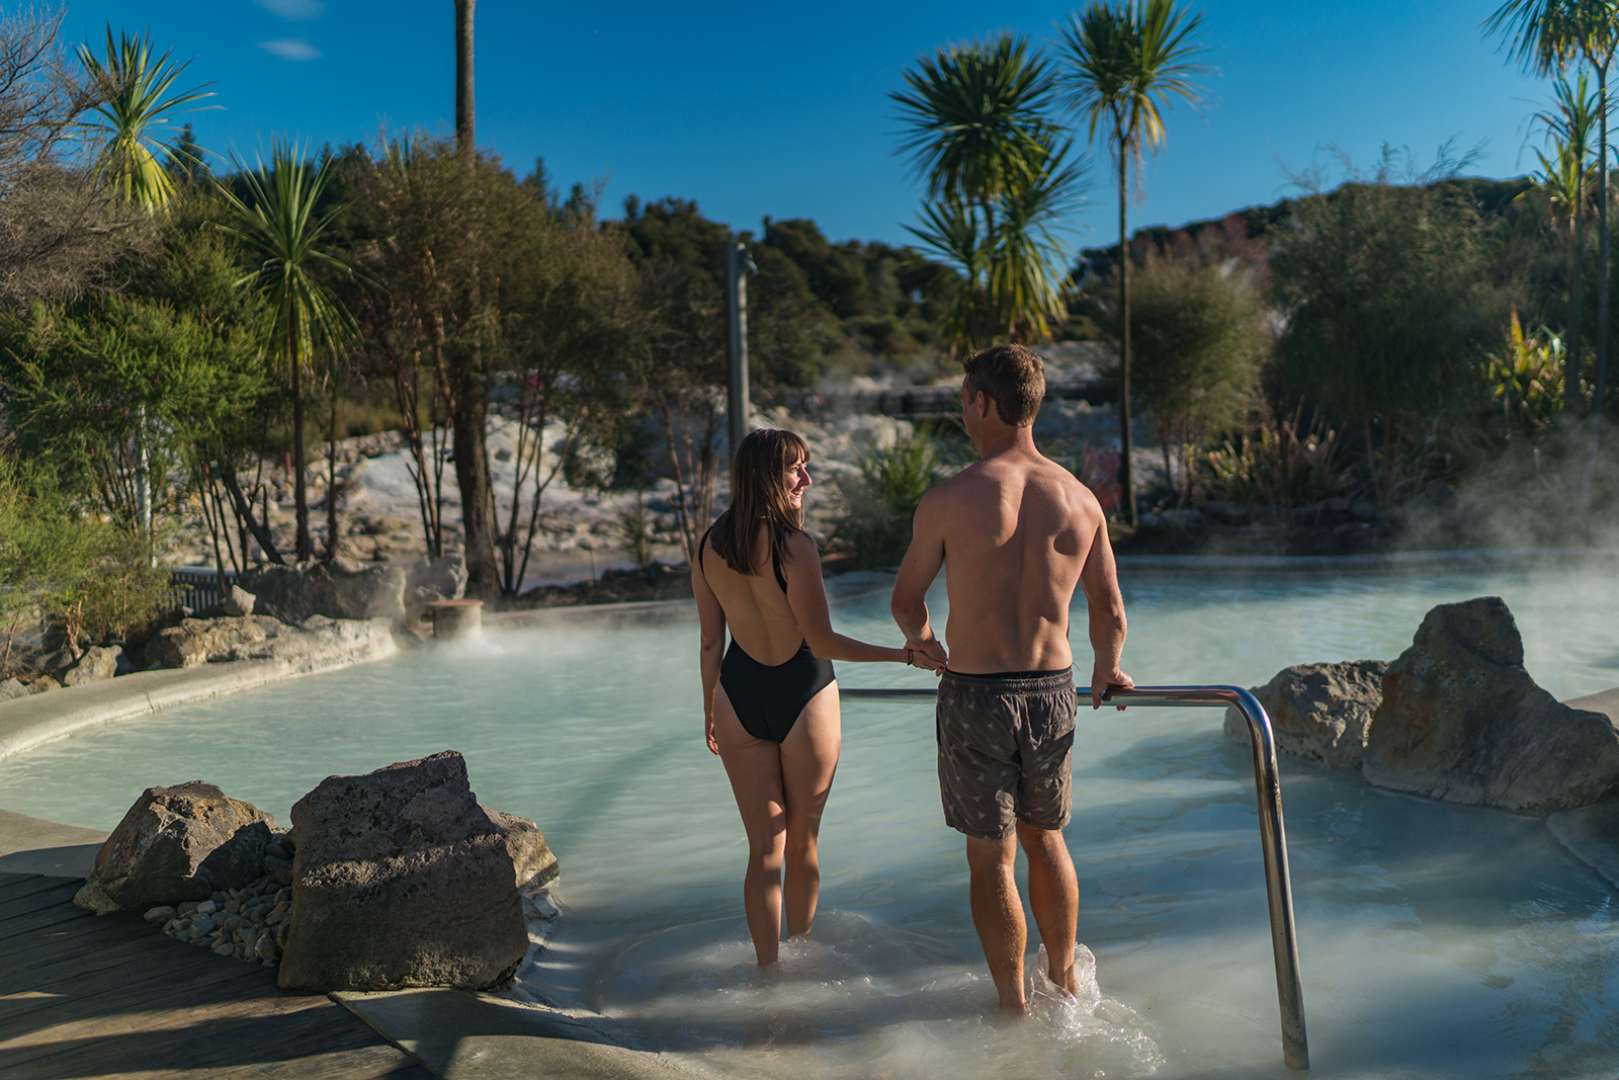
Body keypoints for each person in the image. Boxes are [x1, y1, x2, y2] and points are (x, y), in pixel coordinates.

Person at [889, 343, 1133, 1012]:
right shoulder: (1080, 500)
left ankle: (1012, 1009)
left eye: (964, 399)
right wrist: (1108, 669)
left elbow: (905, 601)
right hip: (1053, 691)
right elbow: (1108, 611)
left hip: (975, 693)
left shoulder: (948, 498)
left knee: (990, 856)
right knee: (1045, 840)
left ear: (980, 403)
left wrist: (924, 644)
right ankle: (1064, 984)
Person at [692, 427, 941, 966]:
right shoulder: (794, 546)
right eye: (795, 469)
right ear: (766, 476)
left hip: (736, 695)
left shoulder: (709, 544)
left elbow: (712, 640)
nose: (806, 478)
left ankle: (767, 972)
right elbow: (822, 640)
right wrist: (904, 656)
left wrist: (709, 707)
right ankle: (801, 961)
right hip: (804, 690)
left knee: (764, 849)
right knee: (801, 841)